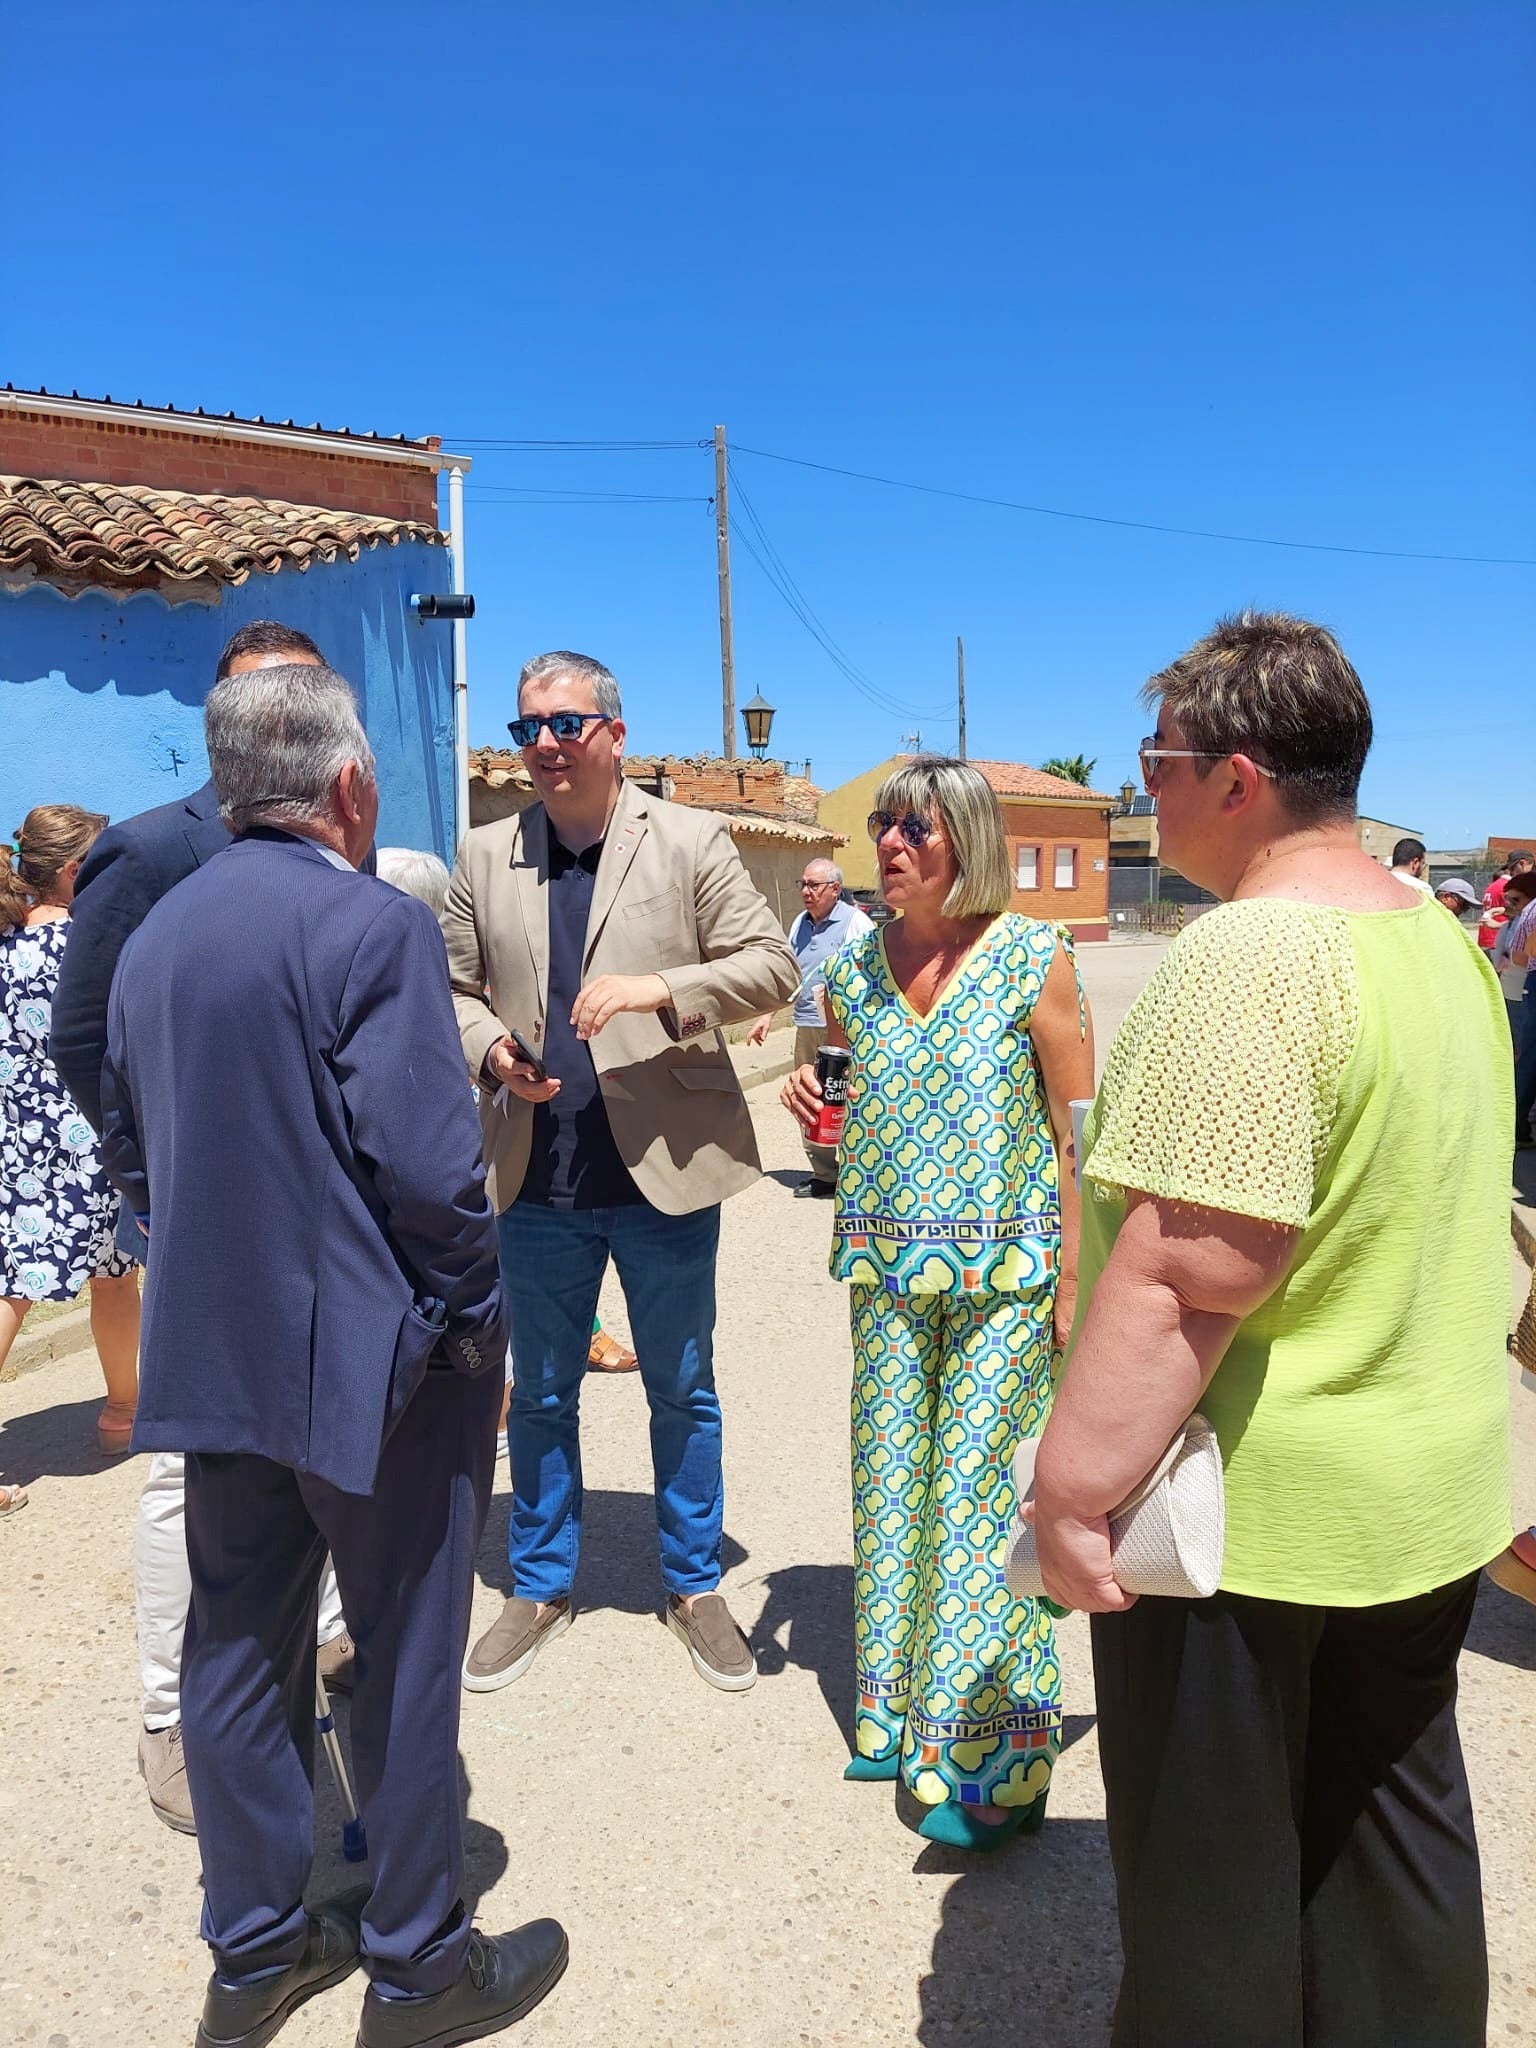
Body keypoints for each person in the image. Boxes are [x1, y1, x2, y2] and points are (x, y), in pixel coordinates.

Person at [1030, 613, 1512, 2046]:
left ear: (1237, 777)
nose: (1142, 796)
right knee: (1393, 1852)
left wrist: (1067, 1491)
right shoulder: (1438, 940)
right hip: (1425, 1496)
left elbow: (1191, 1271)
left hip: (1260, 1527)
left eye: (1155, 766)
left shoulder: (1252, 956)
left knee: (1208, 1894)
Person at [101, 661, 566, 2048]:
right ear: (350, 785)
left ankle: (253, 1952)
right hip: (378, 1373)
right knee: (407, 1659)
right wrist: (479, 1328)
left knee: (235, 1655)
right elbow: (432, 1178)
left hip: (213, 1355)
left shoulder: (158, 939)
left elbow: (132, 1151)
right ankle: (418, 1965)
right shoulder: (371, 930)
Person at [444, 650, 798, 1695]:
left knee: (682, 1388)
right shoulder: (484, 851)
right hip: (536, 1173)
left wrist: (659, 986)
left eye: (565, 724)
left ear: (613, 733)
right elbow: (452, 988)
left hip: (665, 1173)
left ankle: (693, 1583)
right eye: (528, 728)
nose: (545, 744)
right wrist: (491, 1052)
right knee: (542, 1391)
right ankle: (542, 1581)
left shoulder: (689, 839)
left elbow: (770, 964)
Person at [51, 621, 354, 1835]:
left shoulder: (338, 843)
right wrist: (159, 1180)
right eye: (252, 703)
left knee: (320, 1442)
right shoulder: (153, 849)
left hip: (319, 1227)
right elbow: (85, 1039)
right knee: (188, 1465)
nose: (270, 725)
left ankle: (321, 1635)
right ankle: (169, 1712)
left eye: (297, 702)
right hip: (198, 1225)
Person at [781, 756, 1093, 1849]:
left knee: (972, 1500)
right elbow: (845, 1074)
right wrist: (814, 1086)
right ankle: (897, 1711)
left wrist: (1076, 1281)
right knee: (890, 1488)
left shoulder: (1031, 959)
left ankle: (990, 1762)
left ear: (967, 840)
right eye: (883, 823)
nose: (892, 842)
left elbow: (1076, 1128)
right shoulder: (856, 967)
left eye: (917, 825)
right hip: (883, 1271)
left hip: (1007, 1280)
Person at [0, 806, 141, 1491]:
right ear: (74, 872)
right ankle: (121, 1410)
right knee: (112, 1278)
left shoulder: (5, 946)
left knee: (17, 1284)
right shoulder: (89, 949)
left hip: (15, 1140)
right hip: (87, 1139)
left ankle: (123, 1407)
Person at [745, 859, 873, 1197]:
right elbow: (790, 976)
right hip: (807, 1025)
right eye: (802, 884)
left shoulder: (856, 922)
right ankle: (825, 1174)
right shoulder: (800, 923)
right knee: (809, 1102)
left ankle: (857, 1171)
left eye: (814, 885)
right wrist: (768, 1015)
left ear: (834, 888)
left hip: (846, 1031)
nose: (806, 891)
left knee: (848, 1102)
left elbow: (874, 975)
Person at [1478, 848, 1533, 954]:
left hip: (1494, 940)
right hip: (1502, 942)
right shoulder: (1510, 887)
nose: (1511, 873)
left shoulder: (1495, 886)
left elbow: (1527, 918)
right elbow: (1523, 912)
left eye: (1512, 869)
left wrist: (1500, 918)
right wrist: (1503, 911)